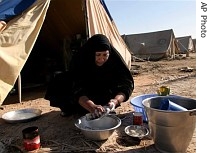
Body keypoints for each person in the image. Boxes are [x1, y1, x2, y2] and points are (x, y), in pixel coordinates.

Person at [45, 34, 134, 117]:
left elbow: (127, 84)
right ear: (91, 53)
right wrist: (91, 106)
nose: (102, 59)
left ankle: (104, 109)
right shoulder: (80, 61)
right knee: (60, 80)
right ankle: (70, 109)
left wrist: (115, 101)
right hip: (84, 95)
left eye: (105, 55)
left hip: (105, 95)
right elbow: (76, 89)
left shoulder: (114, 61)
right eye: (98, 55)